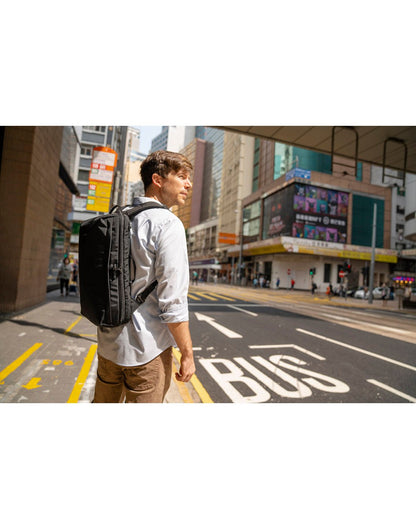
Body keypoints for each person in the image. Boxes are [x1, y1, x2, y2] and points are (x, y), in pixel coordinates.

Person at [92, 150, 195, 403]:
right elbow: (173, 301)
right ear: (158, 180)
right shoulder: (168, 224)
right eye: (181, 176)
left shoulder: (118, 217)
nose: (188, 184)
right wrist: (188, 354)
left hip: (108, 347)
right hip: (147, 352)